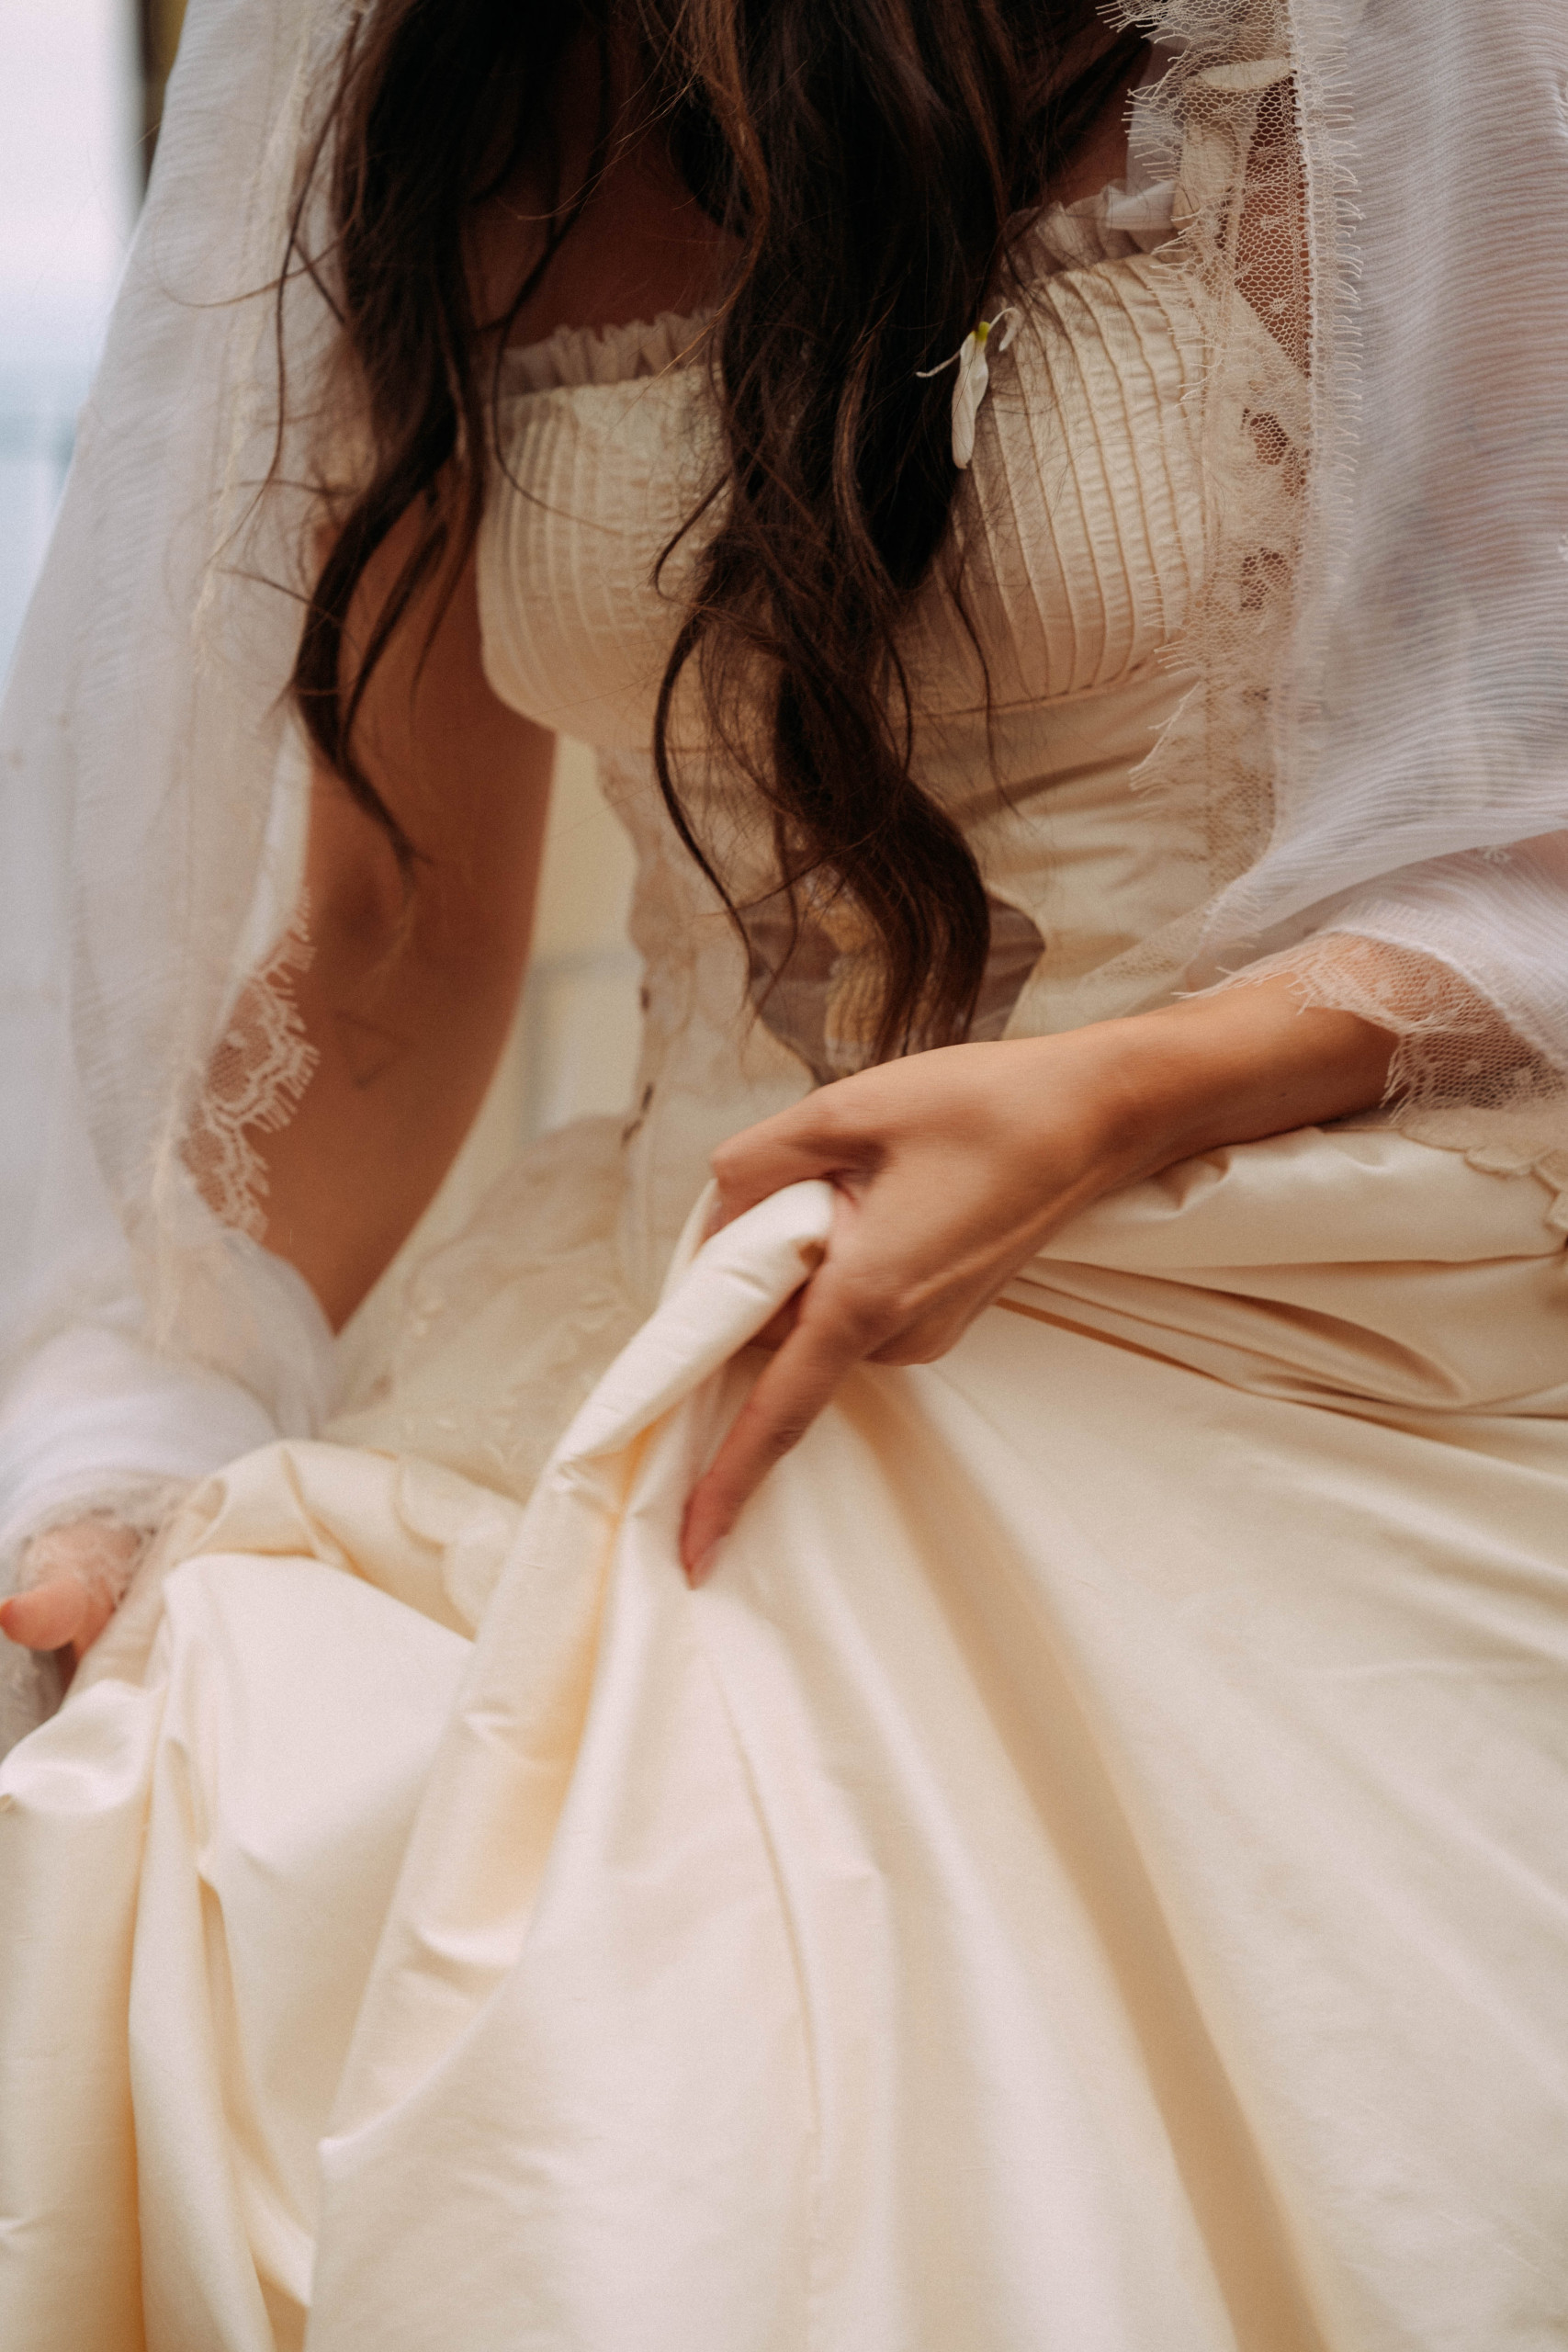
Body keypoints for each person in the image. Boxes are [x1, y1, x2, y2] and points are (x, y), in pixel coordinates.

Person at [1, 0, 1566, 2343]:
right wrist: (142, 1404)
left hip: (1261, 1318)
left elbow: (1536, 821)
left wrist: (1119, 1091)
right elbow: (390, 937)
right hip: (649, 1339)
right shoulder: (451, 93)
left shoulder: (1363, 51)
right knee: (266, 1820)